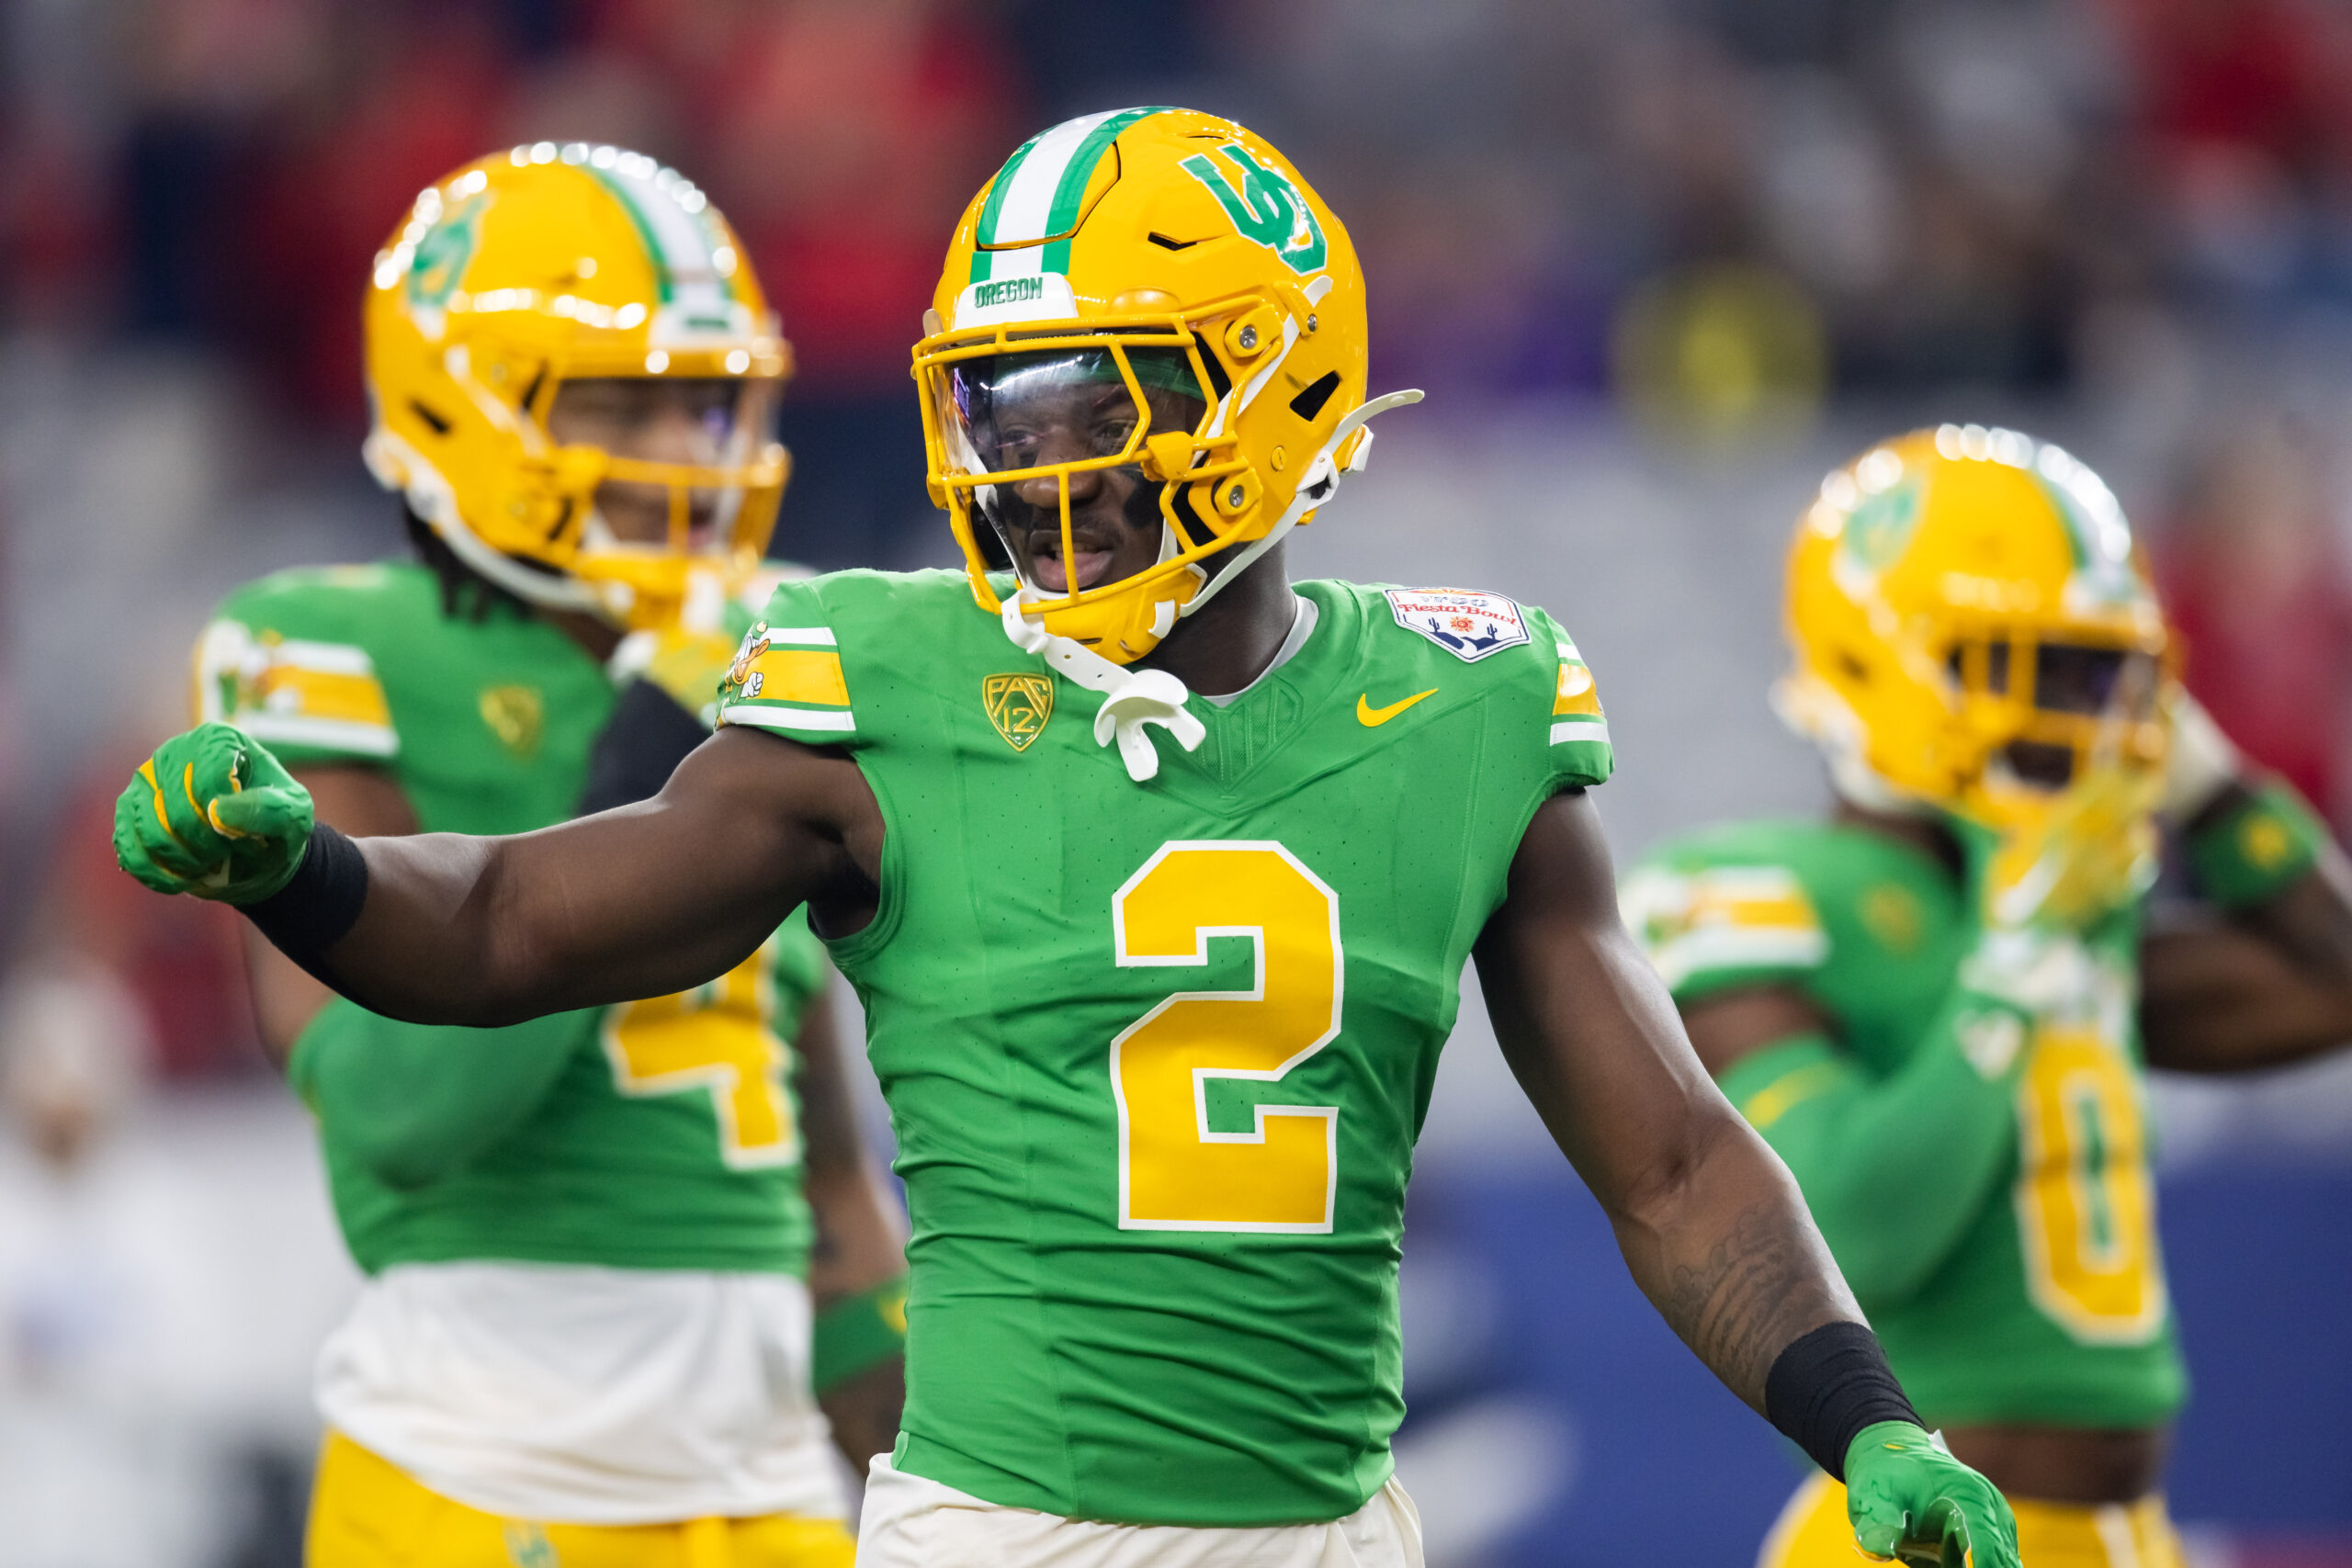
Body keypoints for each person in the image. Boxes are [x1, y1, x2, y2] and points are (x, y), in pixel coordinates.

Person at [116, 109, 2017, 1568]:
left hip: (1329, 1531)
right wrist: (306, 869)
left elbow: (1676, 1161)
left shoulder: (1473, 701)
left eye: (1092, 398)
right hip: (992, 1533)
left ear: (1273, 386)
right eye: (997, 402)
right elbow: (522, 918)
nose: (1035, 467)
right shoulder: (875, 681)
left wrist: (1864, 1419)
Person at [185, 145, 908, 1566]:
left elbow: (822, 1169)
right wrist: (642, 768)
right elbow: (395, 1109)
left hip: (764, 1474)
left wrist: (930, 1480)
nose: (685, 460)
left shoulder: (777, 633)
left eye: (705, 404)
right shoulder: (327, 643)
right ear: (461, 402)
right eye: (623, 405)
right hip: (481, 1455)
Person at [1618, 425, 2352, 1568]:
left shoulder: (2062, 897)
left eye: (2098, 667)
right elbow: (1850, 1235)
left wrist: (2206, 784)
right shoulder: (1767, 897)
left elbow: (2333, 984)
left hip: (2127, 1537)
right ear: (1882, 657)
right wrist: (2009, 970)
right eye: (2028, 664)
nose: (2082, 708)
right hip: (1917, 1538)